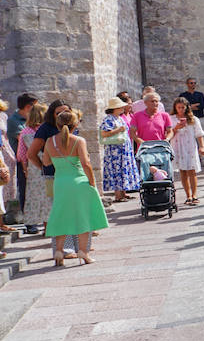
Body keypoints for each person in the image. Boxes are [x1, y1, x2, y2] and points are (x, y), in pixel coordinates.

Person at [40, 108, 108, 266]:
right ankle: (83, 252)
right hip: (79, 181)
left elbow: (46, 162)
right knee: (83, 217)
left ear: (57, 124)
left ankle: (59, 251)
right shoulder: (79, 140)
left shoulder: (50, 141)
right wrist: (92, 182)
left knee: (61, 216)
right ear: (75, 124)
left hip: (60, 183)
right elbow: (86, 163)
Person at [169, 96, 204, 206]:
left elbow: (199, 134)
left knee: (192, 171)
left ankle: (194, 194)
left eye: (183, 107)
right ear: (175, 108)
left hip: (190, 146)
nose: (181, 109)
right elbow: (169, 133)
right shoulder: (171, 118)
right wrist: (176, 127)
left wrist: (202, 146)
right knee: (183, 172)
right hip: (178, 146)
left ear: (187, 108)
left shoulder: (193, 119)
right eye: (179, 107)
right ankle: (188, 195)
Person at [98, 98, 139, 202]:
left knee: (122, 169)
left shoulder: (119, 118)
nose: (122, 108)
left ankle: (123, 193)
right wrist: (118, 130)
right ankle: (118, 195)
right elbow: (104, 133)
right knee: (117, 170)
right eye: (120, 106)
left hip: (122, 149)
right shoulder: (109, 119)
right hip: (115, 150)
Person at [19, 103, 51, 232]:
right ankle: (50, 227)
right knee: (49, 195)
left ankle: (45, 227)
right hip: (47, 163)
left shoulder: (24, 131)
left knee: (38, 198)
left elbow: (22, 154)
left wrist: (25, 169)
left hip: (33, 167)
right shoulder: (45, 130)